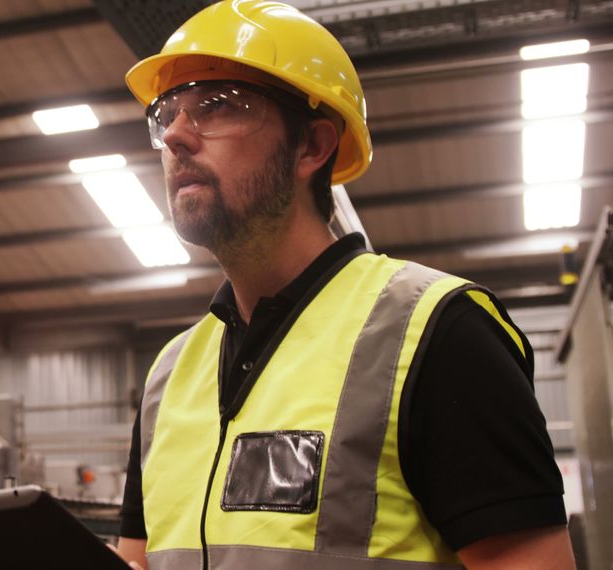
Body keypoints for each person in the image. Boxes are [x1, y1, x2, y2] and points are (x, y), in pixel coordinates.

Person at [113, 2, 574, 569]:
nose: (177, 136)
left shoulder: (437, 334)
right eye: (167, 112)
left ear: (313, 146)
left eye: (217, 105)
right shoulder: (168, 377)